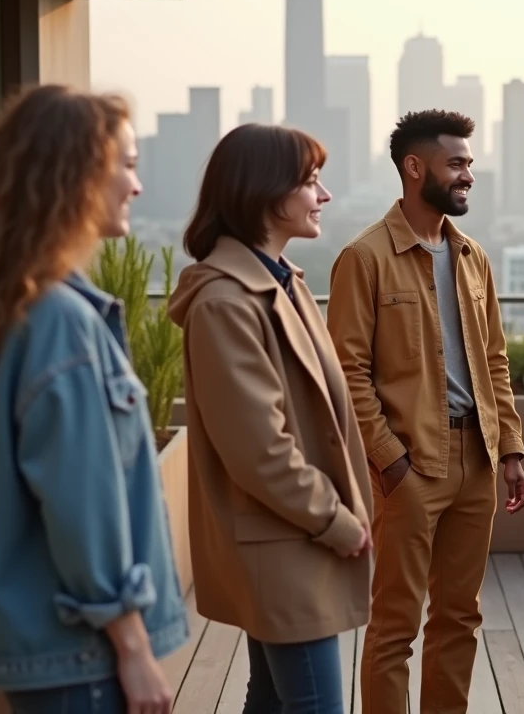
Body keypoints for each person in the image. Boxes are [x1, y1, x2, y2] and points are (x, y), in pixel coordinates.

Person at [0, 84, 187, 712]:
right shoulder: (62, 323)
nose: (137, 185)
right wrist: (131, 645)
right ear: (73, 176)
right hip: (86, 660)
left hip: (54, 659)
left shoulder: (18, 312)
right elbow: (81, 504)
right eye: (126, 165)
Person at [327, 109, 524, 714]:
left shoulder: (473, 258)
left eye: (470, 163)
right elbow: (348, 374)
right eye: (457, 163)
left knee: (460, 618)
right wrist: (391, 464)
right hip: (410, 466)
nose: (469, 174)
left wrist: (511, 448)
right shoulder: (363, 259)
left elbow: (493, 360)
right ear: (415, 168)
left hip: (478, 459)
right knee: (394, 626)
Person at [168, 124, 373, 713]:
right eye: (310, 181)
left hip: (287, 539)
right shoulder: (227, 301)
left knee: (273, 700)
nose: (324, 195)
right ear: (264, 192)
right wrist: (336, 520)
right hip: (287, 541)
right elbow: (259, 447)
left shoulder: (280, 284)